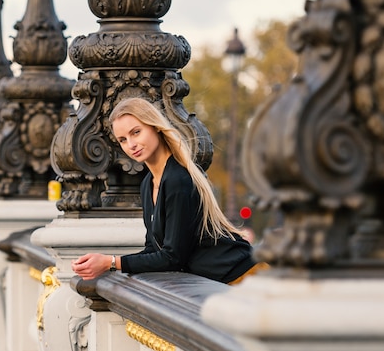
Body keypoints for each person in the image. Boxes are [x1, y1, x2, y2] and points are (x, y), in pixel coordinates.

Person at [72, 97, 262, 284]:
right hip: (223, 282)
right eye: (122, 140)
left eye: (136, 132)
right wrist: (106, 262)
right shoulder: (148, 183)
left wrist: (110, 262)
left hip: (244, 278)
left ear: (155, 127)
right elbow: (153, 249)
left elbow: (173, 257)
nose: (131, 145)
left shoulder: (177, 179)